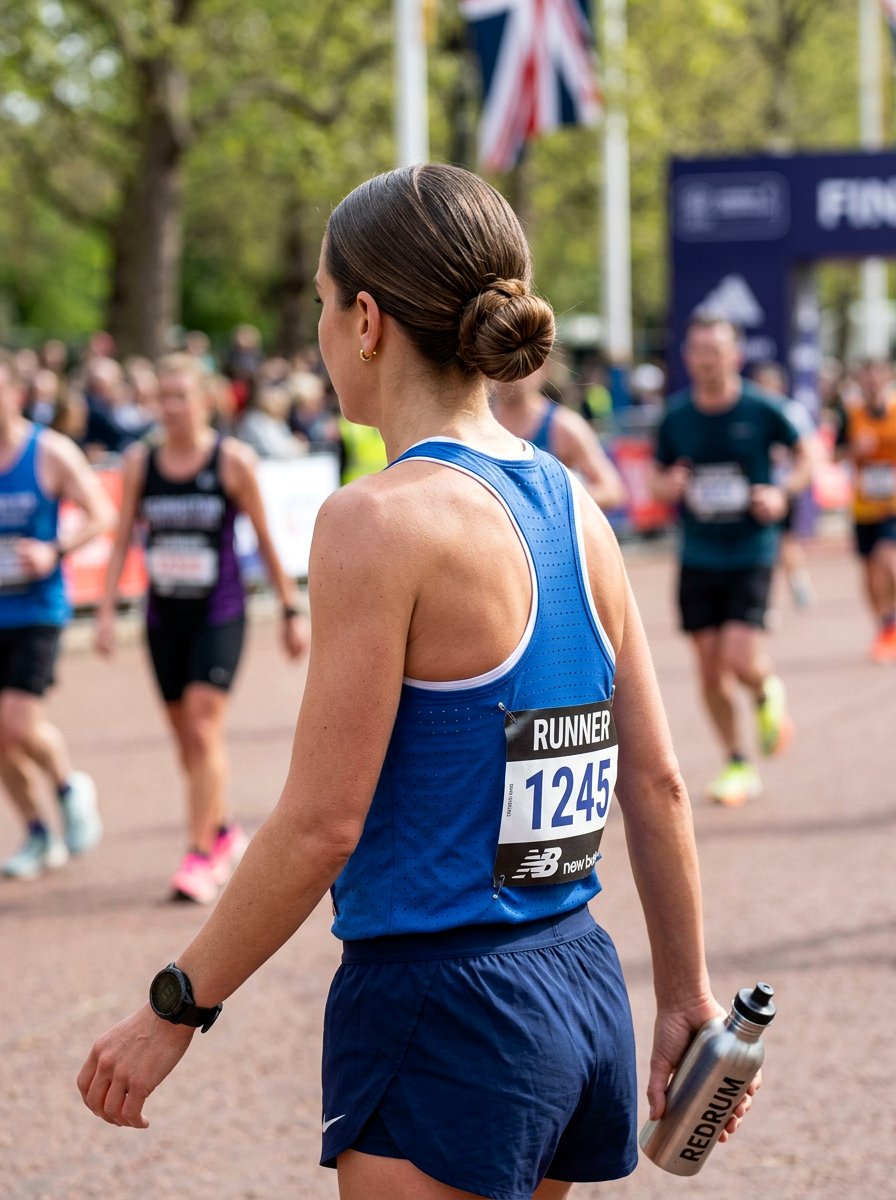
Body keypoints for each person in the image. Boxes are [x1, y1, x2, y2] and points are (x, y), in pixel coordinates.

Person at [78, 166, 756, 1199]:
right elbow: (654, 783)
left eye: (316, 300)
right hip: (577, 985)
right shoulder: (572, 502)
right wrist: (681, 993)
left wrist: (174, 1008)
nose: (314, 329)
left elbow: (319, 826)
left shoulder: (377, 520)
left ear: (364, 319)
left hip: (440, 1004)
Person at [95, 354, 308, 904]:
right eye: (161, 397)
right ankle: (219, 829)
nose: (169, 407)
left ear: (204, 400)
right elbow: (121, 540)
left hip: (220, 612)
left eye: (179, 396)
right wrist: (103, 610)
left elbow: (265, 540)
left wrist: (289, 611)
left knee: (203, 724)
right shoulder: (143, 463)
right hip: (164, 617)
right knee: (184, 738)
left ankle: (199, 855)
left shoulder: (232, 461)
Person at [652, 315, 811, 809]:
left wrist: (781, 493)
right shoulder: (676, 417)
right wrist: (668, 488)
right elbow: (657, 479)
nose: (707, 359)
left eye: (716, 350)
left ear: (735, 355)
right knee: (708, 671)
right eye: (699, 350)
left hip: (750, 550)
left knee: (739, 657)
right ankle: (737, 762)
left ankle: (766, 691)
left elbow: (808, 456)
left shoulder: (763, 409)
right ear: (687, 357)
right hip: (698, 553)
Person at [0, 351, 115, 879]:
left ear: (15, 395)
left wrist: (55, 549)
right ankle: (38, 834)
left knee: (15, 722)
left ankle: (69, 788)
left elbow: (101, 514)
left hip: (37, 609)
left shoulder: (48, 452)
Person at [492, 363, 627, 509]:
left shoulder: (564, 426)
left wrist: (552, 498)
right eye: (502, 362)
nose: (510, 374)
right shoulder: (472, 425)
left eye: (521, 364)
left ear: (542, 369)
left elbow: (612, 491)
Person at [835, 359, 896, 664]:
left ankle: (891, 624)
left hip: (893, 507)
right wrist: (853, 452)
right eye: (866, 374)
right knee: (871, 574)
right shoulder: (851, 414)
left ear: (888, 376)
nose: (872, 380)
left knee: (889, 562)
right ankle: (884, 626)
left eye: (877, 373)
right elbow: (835, 453)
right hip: (863, 508)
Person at [749, 361, 818, 610]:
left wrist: (791, 483)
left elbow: (809, 450)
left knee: (786, 540)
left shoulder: (791, 412)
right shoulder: (750, 411)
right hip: (755, 489)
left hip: (781, 488)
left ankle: (797, 582)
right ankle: (763, 601)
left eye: (766, 386)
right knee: (758, 546)